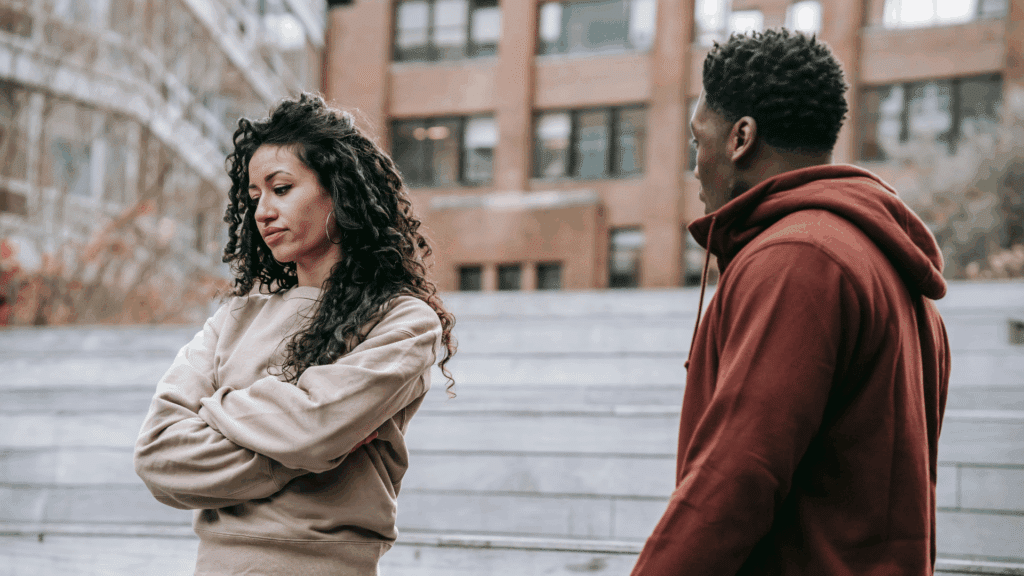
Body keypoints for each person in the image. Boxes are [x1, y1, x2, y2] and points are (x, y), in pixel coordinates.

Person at [631, 29, 950, 575]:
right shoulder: (887, 268)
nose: (695, 164)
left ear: (741, 137)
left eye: (696, 140)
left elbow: (737, 475)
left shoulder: (798, 259)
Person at [134, 93, 456, 576]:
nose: (262, 210)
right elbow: (159, 455)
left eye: (281, 188)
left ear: (339, 192)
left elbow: (315, 429)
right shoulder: (233, 319)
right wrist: (311, 447)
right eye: (254, 196)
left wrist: (214, 409)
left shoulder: (403, 322)